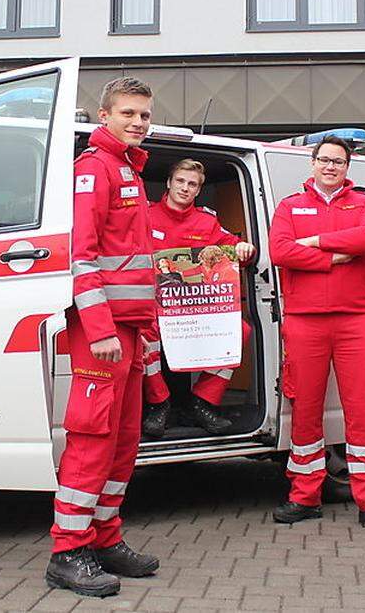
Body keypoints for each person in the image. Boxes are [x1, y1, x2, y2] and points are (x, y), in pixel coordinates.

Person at [46, 77, 162, 598]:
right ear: (104, 115)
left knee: (123, 441)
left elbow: (135, 264)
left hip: (130, 331)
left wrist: (148, 328)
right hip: (104, 332)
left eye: (144, 114)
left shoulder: (129, 170)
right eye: (129, 113)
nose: (138, 122)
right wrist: (98, 330)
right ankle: (68, 550)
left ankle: (106, 538)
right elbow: (81, 255)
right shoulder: (93, 171)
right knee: (93, 440)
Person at [267, 135, 365, 532]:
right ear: (313, 163)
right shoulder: (290, 205)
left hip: (355, 319)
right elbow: (279, 251)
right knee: (304, 409)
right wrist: (334, 258)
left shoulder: (364, 202)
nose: (330, 167)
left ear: (347, 167)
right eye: (324, 160)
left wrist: (316, 242)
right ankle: (304, 496)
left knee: (362, 410)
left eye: (338, 162)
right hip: (305, 319)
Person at [141, 159, 256, 437]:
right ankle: (160, 404)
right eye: (180, 181)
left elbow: (233, 247)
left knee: (240, 330)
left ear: (198, 190)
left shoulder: (207, 221)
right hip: (153, 305)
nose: (185, 188)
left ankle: (203, 401)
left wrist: (243, 247)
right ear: (169, 183)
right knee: (144, 333)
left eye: (192, 184)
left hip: (194, 307)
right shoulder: (144, 215)